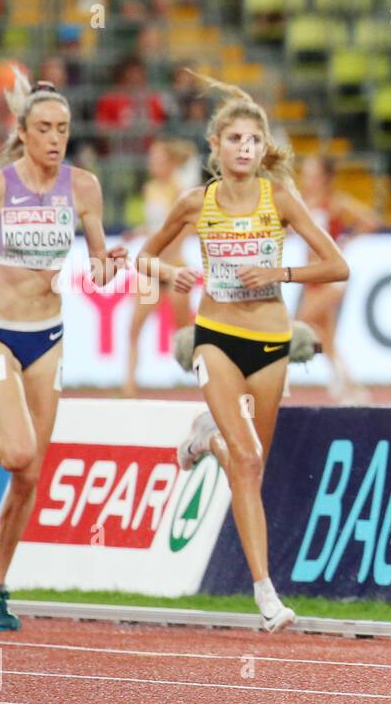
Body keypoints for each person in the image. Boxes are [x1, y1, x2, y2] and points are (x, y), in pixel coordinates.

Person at [136, 73, 349, 632]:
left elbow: (337, 266)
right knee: (249, 459)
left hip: (272, 342)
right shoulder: (193, 203)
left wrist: (280, 270)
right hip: (217, 336)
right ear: (215, 147)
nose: (245, 149)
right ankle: (266, 594)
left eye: (254, 141)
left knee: (251, 467)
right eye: (235, 140)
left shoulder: (280, 199)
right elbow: (142, 258)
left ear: (262, 149)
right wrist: (171, 271)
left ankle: (206, 439)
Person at [0, 72, 126, 631]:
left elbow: (101, 265)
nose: (55, 139)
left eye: (62, 128)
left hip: (49, 340)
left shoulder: (84, 187)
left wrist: (112, 264)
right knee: (16, 452)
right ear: (24, 132)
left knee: (30, 474)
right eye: (44, 129)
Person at [290, 154, 376, 404]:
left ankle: (340, 382)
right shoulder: (302, 203)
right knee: (327, 338)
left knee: (301, 322)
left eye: (313, 174)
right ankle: (348, 385)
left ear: (325, 177)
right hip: (312, 277)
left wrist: (345, 242)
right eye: (306, 173)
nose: (308, 179)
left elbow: (369, 219)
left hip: (330, 277)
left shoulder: (335, 202)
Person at [124, 138, 196, 397]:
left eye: (158, 159)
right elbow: (155, 227)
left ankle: (205, 382)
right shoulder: (150, 189)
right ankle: (129, 388)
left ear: (170, 163)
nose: (153, 164)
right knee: (134, 328)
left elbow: (186, 228)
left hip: (174, 268)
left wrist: (168, 255)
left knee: (184, 332)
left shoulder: (181, 192)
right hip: (152, 270)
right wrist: (137, 233)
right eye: (151, 159)